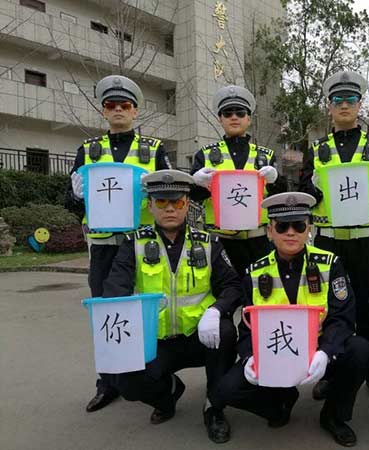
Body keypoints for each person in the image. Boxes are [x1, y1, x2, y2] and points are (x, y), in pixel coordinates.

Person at [210, 192, 369, 447]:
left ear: (309, 229)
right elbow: (247, 326)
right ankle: (279, 403)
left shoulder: (331, 264)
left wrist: (326, 352)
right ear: (269, 231)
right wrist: (251, 356)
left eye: (298, 225)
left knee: (360, 350)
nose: (291, 232)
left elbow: (343, 316)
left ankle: (334, 416)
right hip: (275, 353)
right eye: (282, 226)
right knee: (225, 391)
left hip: (318, 349)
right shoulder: (255, 272)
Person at [101, 170, 241, 443]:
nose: (169, 209)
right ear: (150, 205)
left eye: (176, 202)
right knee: (126, 381)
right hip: (157, 340)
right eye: (161, 202)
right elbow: (114, 289)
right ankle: (168, 395)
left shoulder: (208, 242)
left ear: (187, 204)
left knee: (225, 333)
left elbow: (233, 285)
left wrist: (217, 311)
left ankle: (214, 407)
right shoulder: (134, 244)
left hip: (199, 335)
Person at [64, 75, 171, 413]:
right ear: (103, 111)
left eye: (125, 105)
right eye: (112, 105)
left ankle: (151, 380)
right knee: (106, 314)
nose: (119, 110)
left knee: (145, 313)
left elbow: (169, 194)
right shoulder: (88, 150)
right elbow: (71, 199)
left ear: (135, 111)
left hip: (142, 247)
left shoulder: (154, 150)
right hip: (105, 246)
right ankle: (107, 383)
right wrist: (76, 194)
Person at [298, 70, 369, 401]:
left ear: (360, 104)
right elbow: (301, 197)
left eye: (351, 99)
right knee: (330, 310)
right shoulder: (316, 149)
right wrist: (310, 186)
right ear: (328, 106)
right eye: (337, 100)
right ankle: (332, 372)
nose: (344, 105)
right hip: (328, 242)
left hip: (367, 242)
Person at [190, 85, 287, 278]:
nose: (234, 117)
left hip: (258, 241)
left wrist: (275, 180)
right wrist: (196, 182)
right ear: (220, 118)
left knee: (260, 296)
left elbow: (281, 195)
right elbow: (192, 196)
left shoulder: (266, 156)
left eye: (240, 113)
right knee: (224, 296)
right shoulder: (205, 154)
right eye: (228, 113)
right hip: (220, 242)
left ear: (249, 119)